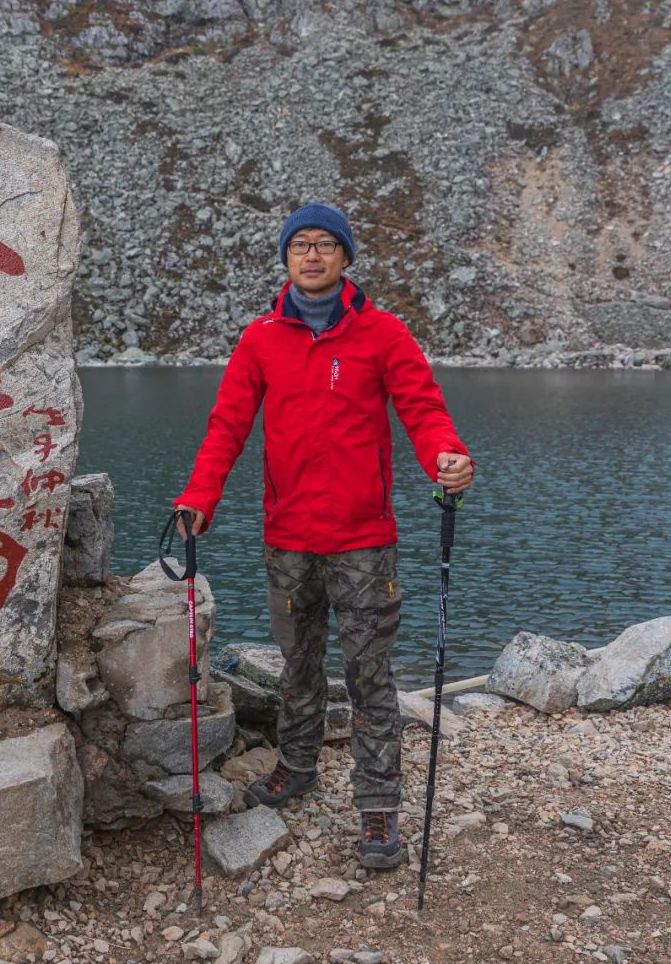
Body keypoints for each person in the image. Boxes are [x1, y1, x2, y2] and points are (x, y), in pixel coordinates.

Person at [172, 202, 473, 869]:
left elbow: (423, 411)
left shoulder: (383, 334)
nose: (311, 255)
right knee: (299, 666)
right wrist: (200, 497)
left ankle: (377, 806)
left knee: (368, 675)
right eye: (300, 245)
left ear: (345, 258)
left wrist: (446, 457)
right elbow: (227, 427)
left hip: (364, 541)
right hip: (288, 539)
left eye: (325, 245)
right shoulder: (259, 340)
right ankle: (298, 764)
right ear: (286, 258)